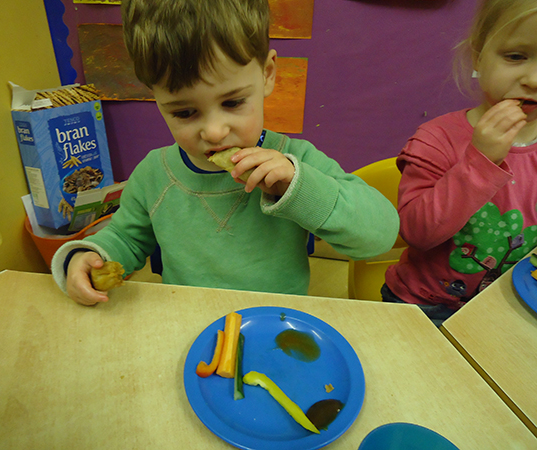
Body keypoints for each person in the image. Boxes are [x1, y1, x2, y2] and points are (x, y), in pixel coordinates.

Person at [51, 0, 399, 306]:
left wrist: (299, 187)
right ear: (154, 98)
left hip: (275, 324)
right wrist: (89, 256)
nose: (214, 131)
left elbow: (378, 237)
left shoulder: (297, 160)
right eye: (184, 112)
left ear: (266, 74)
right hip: (186, 322)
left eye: (232, 102)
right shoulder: (153, 175)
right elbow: (126, 238)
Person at [383, 0, 537, 326]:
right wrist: (480, 160)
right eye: (516, 56)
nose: (533, 79)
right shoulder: (436, 139)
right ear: (480, 55)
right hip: (426, 306)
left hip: (513, 307)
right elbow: (417, 232)